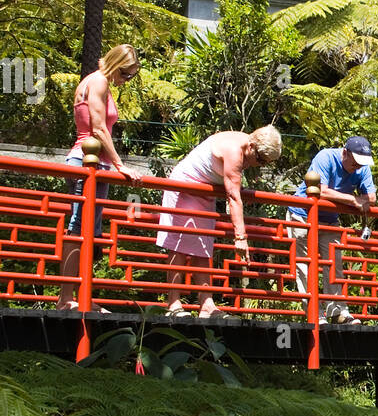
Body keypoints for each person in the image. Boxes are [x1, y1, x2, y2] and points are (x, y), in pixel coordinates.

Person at [156, 126, 282, 318]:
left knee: (203, 246)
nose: (259, 165)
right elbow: (233, 195)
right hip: (184, 185)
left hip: (205, 190)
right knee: (179, 244)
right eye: (260, 159)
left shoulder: (246, 144)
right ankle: (173, 303)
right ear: (251, 145)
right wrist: (240, 236)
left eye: (265, 163)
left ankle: (206, 304)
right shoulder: (235, 152)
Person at [56, 44, 142, 310]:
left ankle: (80, 297)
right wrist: (120, 165)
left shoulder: (94, 82)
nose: (126, 81)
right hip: (88, 161)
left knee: (87, 231)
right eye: (126, 74)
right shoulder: (100, 82)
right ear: (116, 64)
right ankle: (67, 299)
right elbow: (98, 129)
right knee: (78, 228)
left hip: (92, 162)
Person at [286, 136, 376, 325]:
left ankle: (337, 311)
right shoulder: (325, 157)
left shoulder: (362, 168)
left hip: (329, 220)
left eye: (361, 163)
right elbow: (322, 190)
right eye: (355, 162)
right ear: (345, 152)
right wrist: (352, 200)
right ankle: (314, 313)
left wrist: (362, 199)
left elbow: (371, 198)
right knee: (304, 266)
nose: (358, 167)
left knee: (334, 265)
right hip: (302, 215)